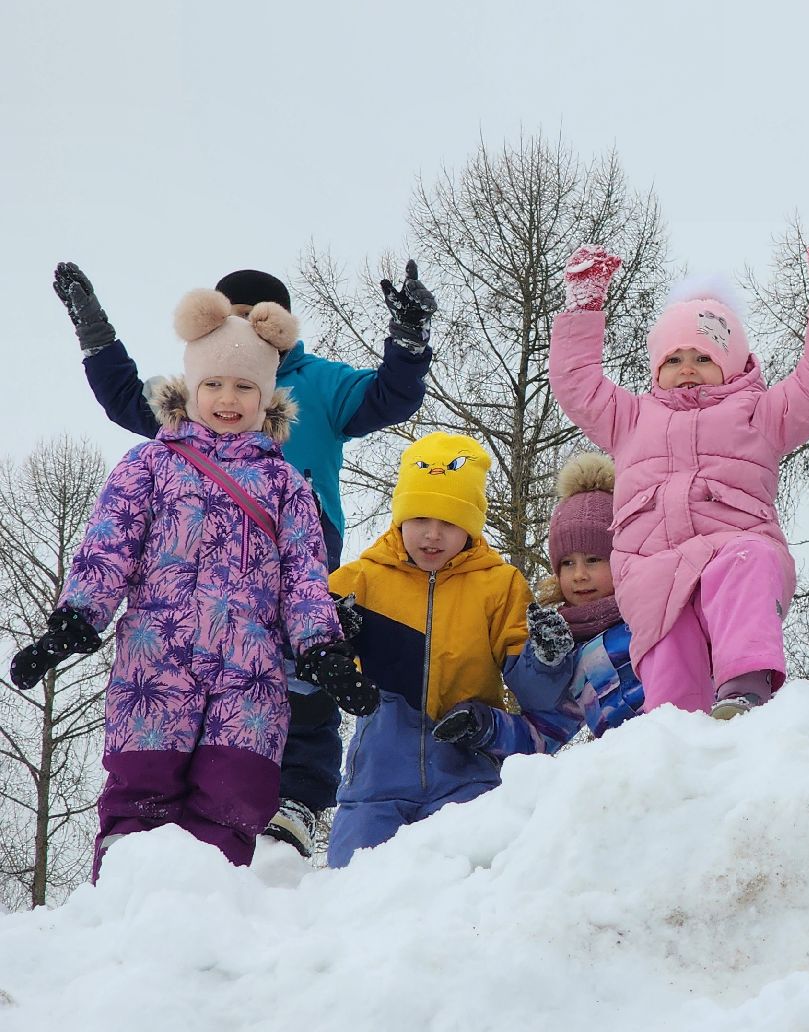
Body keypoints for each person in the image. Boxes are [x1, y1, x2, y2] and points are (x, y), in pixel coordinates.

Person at [52, 261, 435, 856]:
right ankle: (171, 797)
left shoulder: (316, 383)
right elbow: (128, 396)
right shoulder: (200, 391)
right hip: (189, 554)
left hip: (293, 539)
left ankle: (299, 796)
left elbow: (388, 396)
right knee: (197, 676)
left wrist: (407, 341)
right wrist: (96, 335)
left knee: (299, 666)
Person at [10, 288, 344, 868]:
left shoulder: (286, 484)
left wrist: (322, 648)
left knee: (233, 801)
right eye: (213, 384)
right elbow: (108, 548)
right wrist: (73, 621)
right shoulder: (149, 464)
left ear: (266, 398)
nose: (227, 399)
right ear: (190, 389)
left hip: (249, 672)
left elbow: (306, 578)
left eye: (244, 386)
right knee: (139, 800)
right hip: (153, 662)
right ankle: (123, 914)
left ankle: (212, 927)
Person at [549, 234, 809, 719]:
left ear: (732, 361)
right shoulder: (630, 418)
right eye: (673, 360)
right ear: (657, 368)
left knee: (747, 562)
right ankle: (677, 736)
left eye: (702, 357)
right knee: (668, 648)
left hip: (733, 542)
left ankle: (744, 688)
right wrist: (583, 309)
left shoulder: (760, 414)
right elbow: (577, 386)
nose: (687, 369)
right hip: (652, 563)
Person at [324, 432, 573, 867]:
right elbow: (303, 647)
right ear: (399, 517)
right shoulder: (361, 580)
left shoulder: (499, 585)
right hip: (375, 782)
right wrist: (328, 646)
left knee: (466, 895)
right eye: (420, 518)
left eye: (450, 522)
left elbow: (535, 692)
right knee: (349, 896)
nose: (432, 535)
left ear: (472, 526)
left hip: (466, 776)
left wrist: (548, 660)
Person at [502, 452, 645, 742]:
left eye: (593, 559)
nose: (579, 575)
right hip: (632, 767)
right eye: (567, 563)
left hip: (690, 743)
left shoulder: (651, 615)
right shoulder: (568, 646)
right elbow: (544, 731)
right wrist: (485, 727)